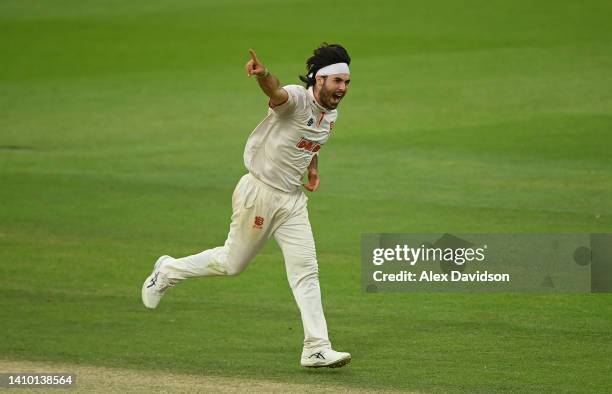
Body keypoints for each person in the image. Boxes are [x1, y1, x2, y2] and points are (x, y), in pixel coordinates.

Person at [141, 43, 352, 369]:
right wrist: (263, 74)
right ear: (318, 80)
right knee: (231, 263)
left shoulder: (331, 114)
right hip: (260, 194)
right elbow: (276, 92)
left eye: (346, 82)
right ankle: (167, 271)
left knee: (306, 272)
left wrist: (312, 168)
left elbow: (311, 141)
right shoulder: (296, 98)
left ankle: (316, 348)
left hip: (292, 201)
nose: (342, 88)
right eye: (336, 81)